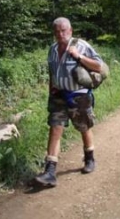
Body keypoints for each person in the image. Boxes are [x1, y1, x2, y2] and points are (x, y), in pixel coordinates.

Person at [35, 17, 102, 187]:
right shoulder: (52, 49)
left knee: (83, 127)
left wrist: (78, 57)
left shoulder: (81, 46)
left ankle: (89, 158)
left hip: (78, 96)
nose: (60, 34)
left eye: (63, 30)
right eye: (57, 31)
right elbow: (52, 72)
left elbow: (99, 66)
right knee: (55, 129)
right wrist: (51, 90)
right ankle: (49, 172)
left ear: (70, 31)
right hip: (58, 96)